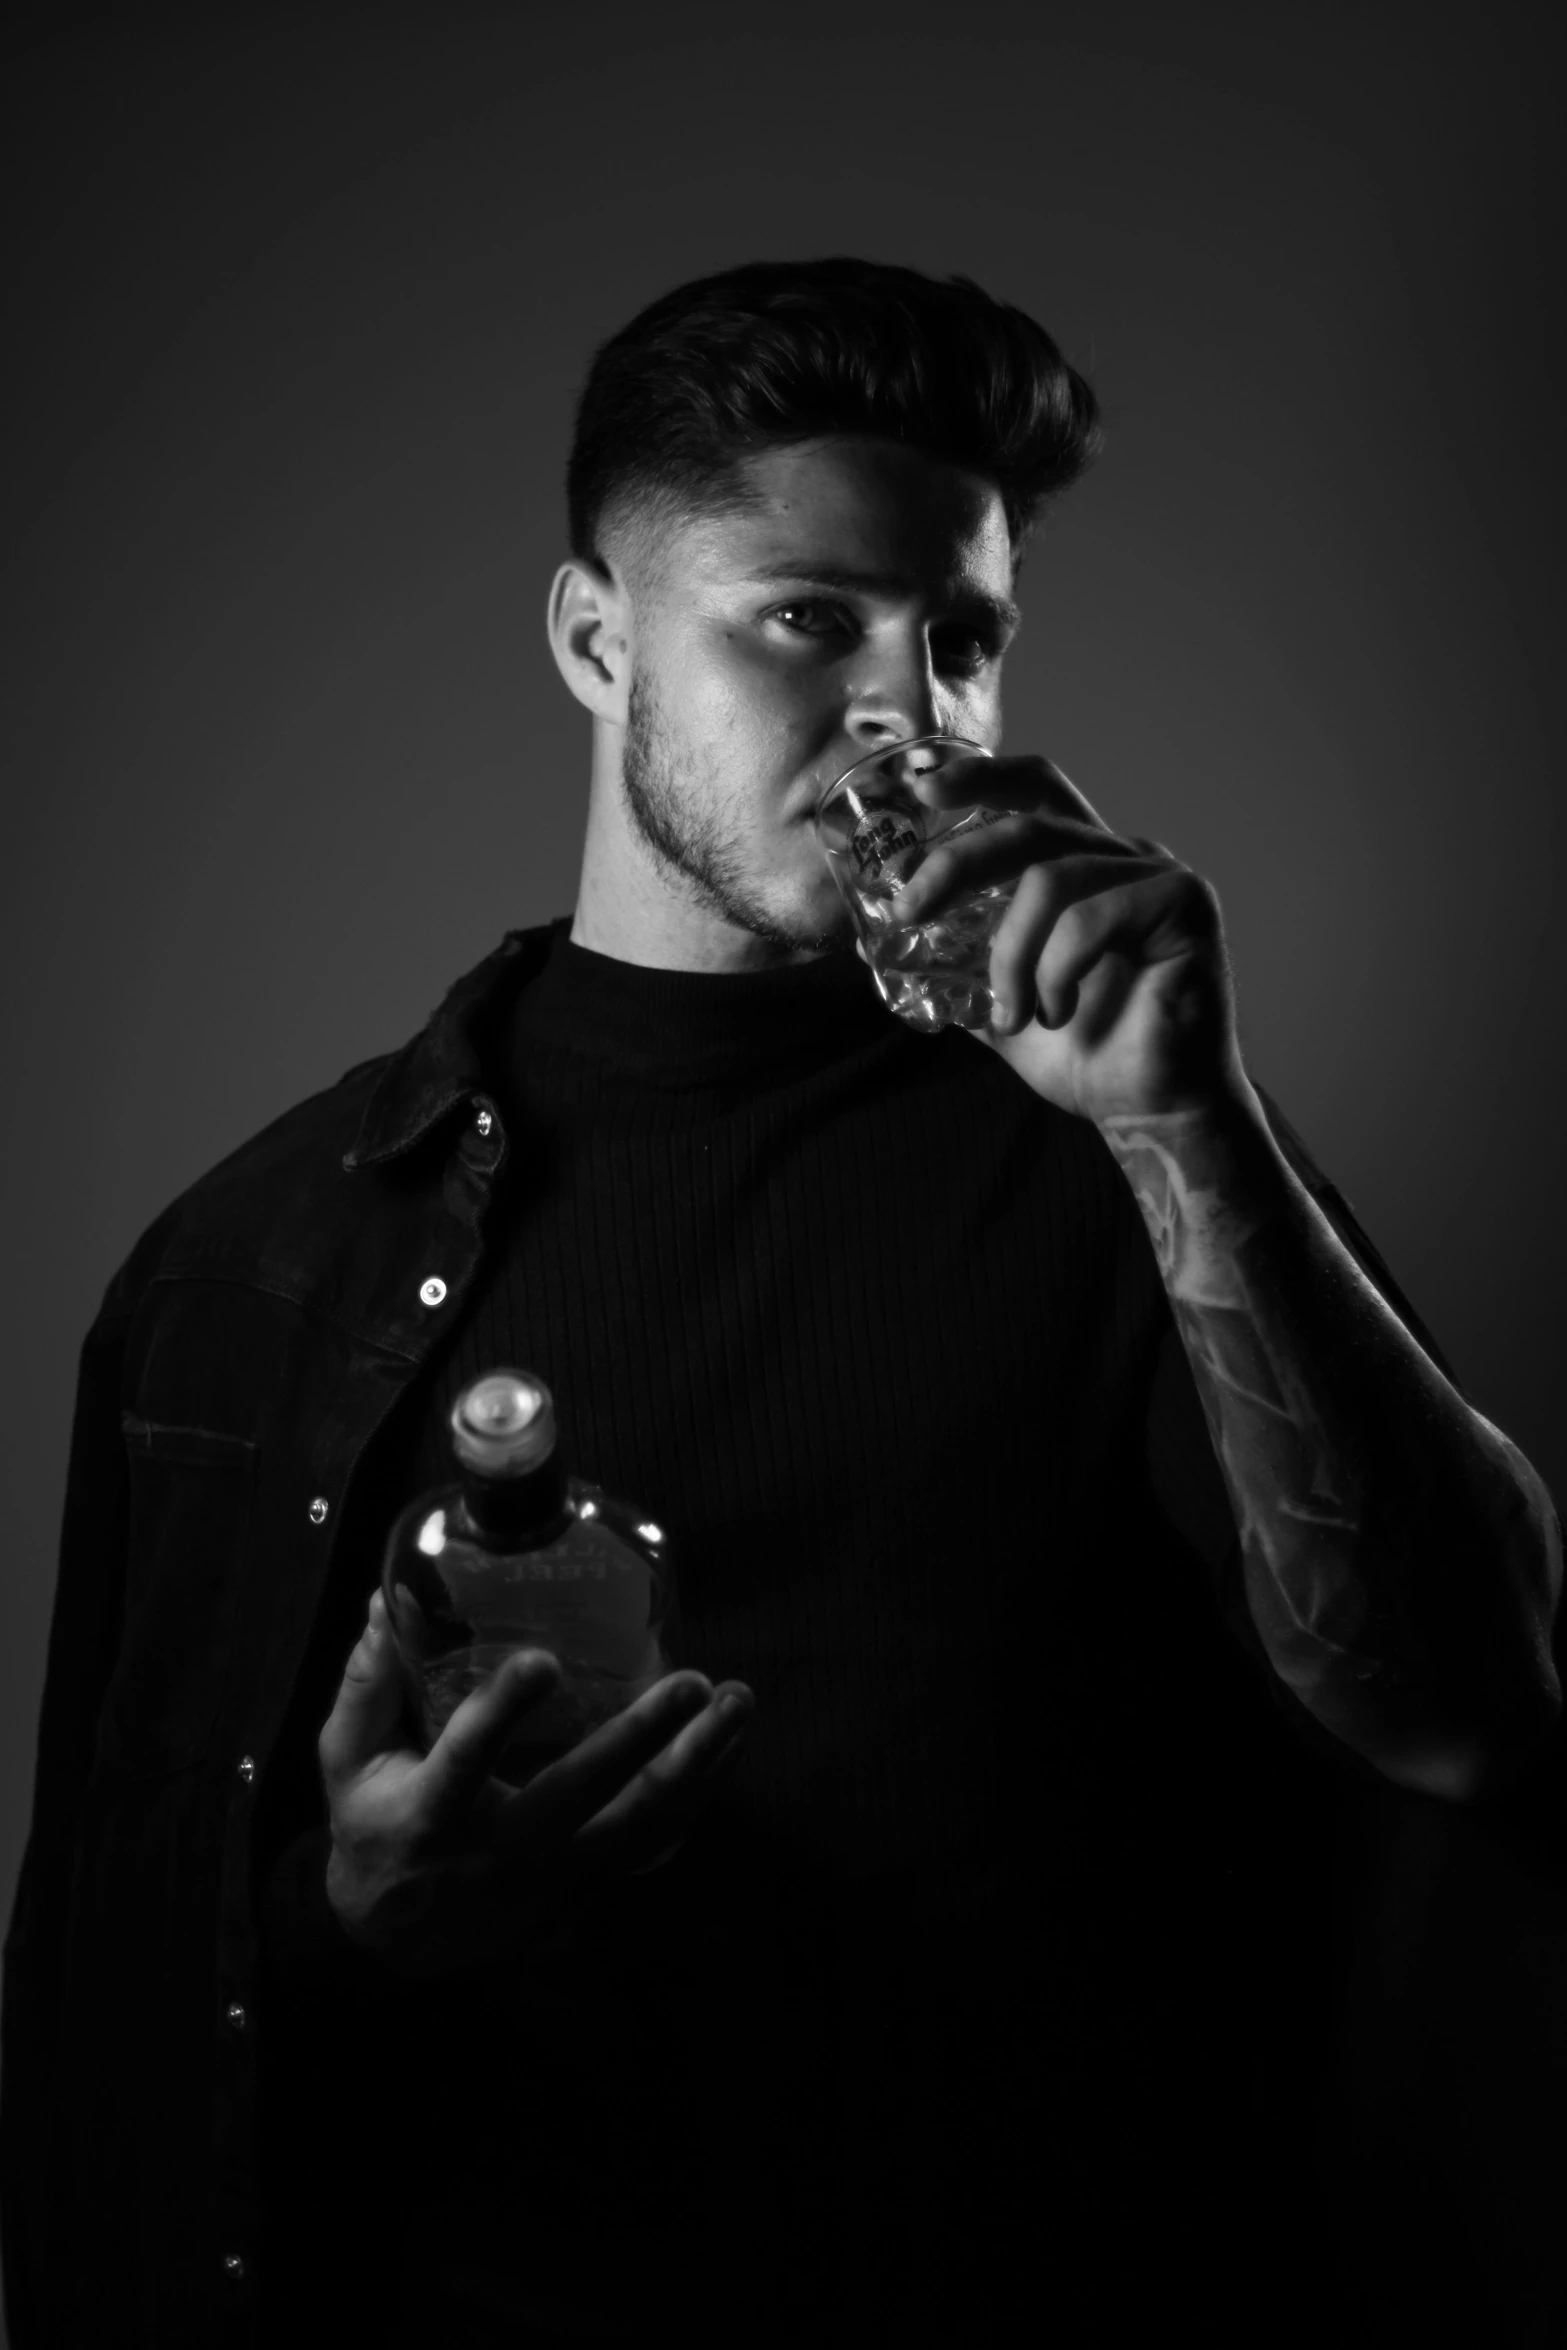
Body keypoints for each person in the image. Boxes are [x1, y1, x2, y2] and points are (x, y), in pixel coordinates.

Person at [2, 256, 1560, 2350]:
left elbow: (1466, 1700)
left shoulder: (1131, 1163)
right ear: (594, 636)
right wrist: (351, 1914)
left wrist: (1195, 1127)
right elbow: (108, 1998)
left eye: (966, 636)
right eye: (809, 615)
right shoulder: (248, 1263)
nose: (913, 707)